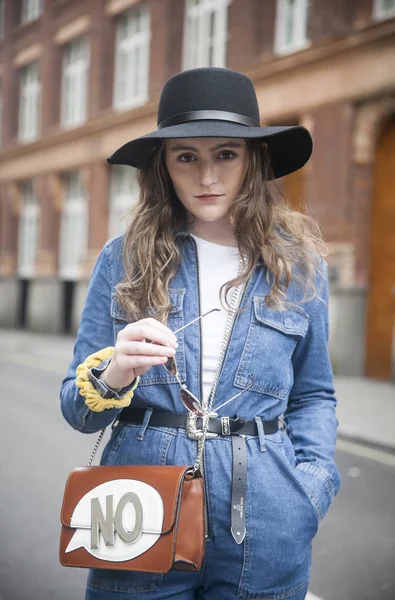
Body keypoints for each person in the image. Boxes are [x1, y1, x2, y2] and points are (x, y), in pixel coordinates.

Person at [61, 67, 340, 600]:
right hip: (139, 510)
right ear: (163, 166)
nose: (207, 176)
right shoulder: (123, 259)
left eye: (226, 154)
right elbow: (76, 408)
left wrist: (310, 489)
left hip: (267, 516)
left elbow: (314, 394)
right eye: (187, 156)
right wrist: (117, 370)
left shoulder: (299, 265)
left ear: (252, 161)